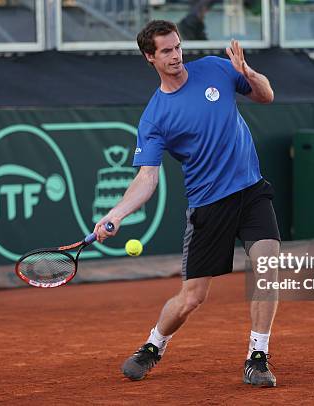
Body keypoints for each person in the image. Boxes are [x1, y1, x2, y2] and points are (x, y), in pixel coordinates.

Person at [93, 19, 280, 387]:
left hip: (251, 190)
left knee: (268, 263)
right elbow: (147, 178)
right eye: (166, 51)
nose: (176, 55)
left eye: (177, 47)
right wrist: (115, 214)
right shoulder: (154, 117)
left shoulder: (215, 68)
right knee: (192, 297)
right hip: (208, 205)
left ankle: (257, 356)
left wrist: (247, 72)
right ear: (150, 57)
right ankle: (153, 345)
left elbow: (266, 95)